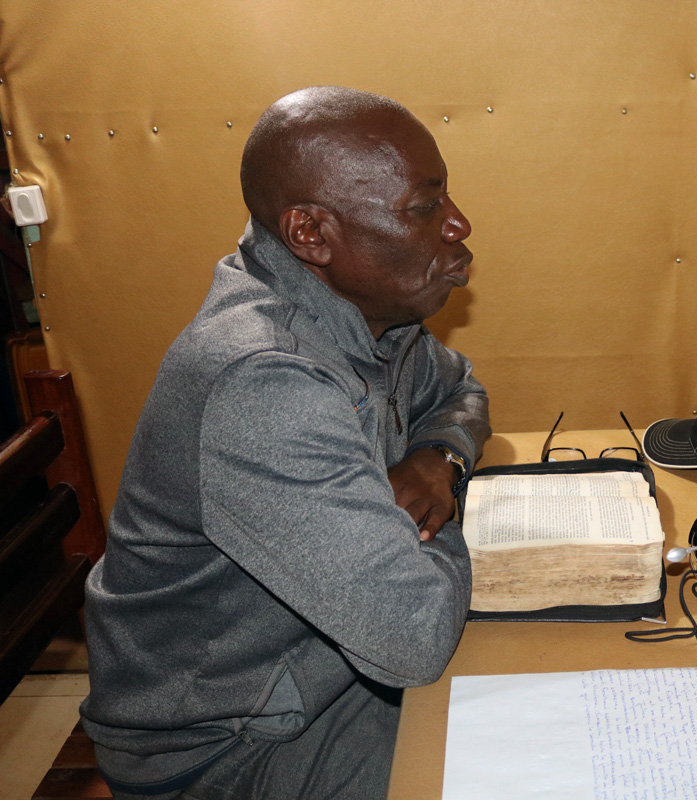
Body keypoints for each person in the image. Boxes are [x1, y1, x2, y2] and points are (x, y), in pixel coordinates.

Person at [79, 86, 490, 800]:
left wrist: (441, 462)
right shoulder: (264, 386)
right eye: (423, 207)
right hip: (225, 750)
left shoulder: (367, 316)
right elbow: (413, 634)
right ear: (311, 234)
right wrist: (443, 519)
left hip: (320, 679)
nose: (458, 224)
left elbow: (462, 391)